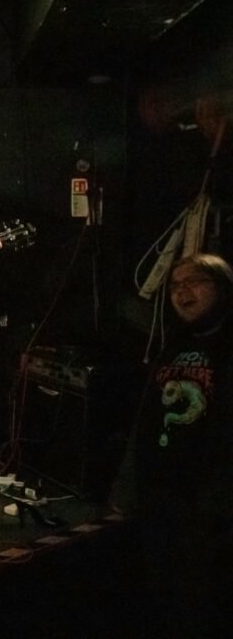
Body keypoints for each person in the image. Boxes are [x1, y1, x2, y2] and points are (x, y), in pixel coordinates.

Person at [110, 253, 233, 636]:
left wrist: (215, 503)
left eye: (194, 281)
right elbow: (146, 419)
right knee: (162, 601)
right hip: (160, 499)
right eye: (176, 285)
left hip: (208, 510)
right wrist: (127, 487)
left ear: (222, 289)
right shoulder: (175, 344)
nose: (182, 291)